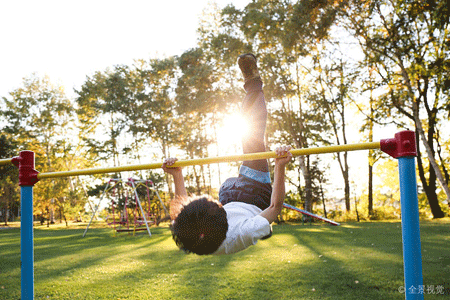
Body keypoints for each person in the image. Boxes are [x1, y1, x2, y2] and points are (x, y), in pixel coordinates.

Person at [162, 53, 292, 255]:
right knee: (252, 134)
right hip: (254, 194)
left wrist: (177, 174)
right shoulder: (242, 233)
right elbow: (275, 207)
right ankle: (253, 81)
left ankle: (262, 226)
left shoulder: (195, 236)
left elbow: (182, 211)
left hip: (228, 194)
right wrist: (280, 165)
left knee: (247, 133)